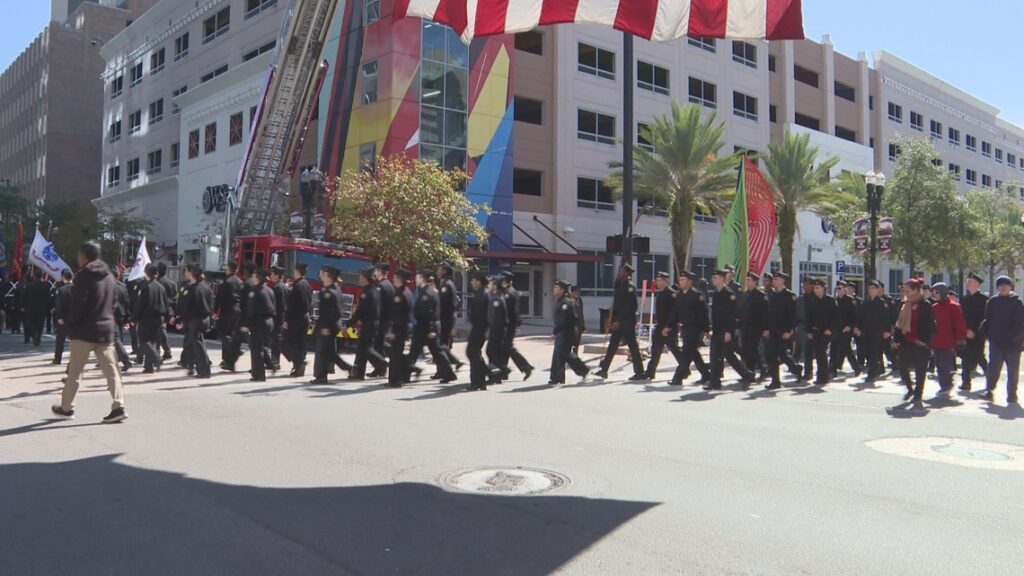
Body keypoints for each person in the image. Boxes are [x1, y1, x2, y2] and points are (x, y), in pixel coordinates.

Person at [51, 241, 127, 423]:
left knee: (75, 372)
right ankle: (118, 406)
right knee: (111, 370)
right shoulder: (109, 276)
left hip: (84, 331)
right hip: (105, 329)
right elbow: (114, 302)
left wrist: (70, 323)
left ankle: (67, 408)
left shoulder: (83, 275)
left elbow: (79, 304)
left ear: (84, 256)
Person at [594, 263, 645, 381]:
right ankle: (604, 370)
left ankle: (639, 372)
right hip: (618, 320)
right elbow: (616, 305)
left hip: (627, 321)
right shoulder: (619, 286)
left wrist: (619, 321)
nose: (619, 273)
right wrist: (610, 319)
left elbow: (632, 307)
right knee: (612, 345)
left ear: (627, 274)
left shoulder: (630, 287)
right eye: (619, 271)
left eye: (621, 271)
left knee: (633, 347)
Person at [706, 269, 755, 390]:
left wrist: (728, 331)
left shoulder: (729, 294)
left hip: (726, 331)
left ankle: (746, 374)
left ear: (722, 279)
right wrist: (711, 328)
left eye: (715, 278)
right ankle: (715, 382)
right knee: (716, 356)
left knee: (726, 356)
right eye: (713, 278)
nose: (713, 280)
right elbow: (715, 314)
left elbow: (731, 315)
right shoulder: (716, 293)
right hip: (717, 330)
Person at [405, 268, 457, 383]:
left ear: (423, 279)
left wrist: (432, 329)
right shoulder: (424, 291)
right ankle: (448, 374)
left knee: (434, 352)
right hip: (424, 326)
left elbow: (430, 312)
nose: (416, 280)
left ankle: (449, 373)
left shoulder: (427, 293)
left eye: (418, 278)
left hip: (426, 327)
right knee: (431, 352)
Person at [978, 275, 1024, 404]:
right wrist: (984, 331)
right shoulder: (992, 301)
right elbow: (987, 319)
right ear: (997, 287)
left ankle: (1012, 395)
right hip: (996, 342)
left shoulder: (1017, 302)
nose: (1003, 287)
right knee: (993, 368)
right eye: (1001, 285)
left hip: (1013, 343)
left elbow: (1020, 323)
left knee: (1013, 371)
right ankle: (989, 391)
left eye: (1006, 285)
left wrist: (1014, 337)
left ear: (1010, 287)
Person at [893, 279, 935, 408]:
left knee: (920, 371)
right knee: (901, 365)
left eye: (908, 290)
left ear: (917, 291)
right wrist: (897, 339)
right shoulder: (905, 304)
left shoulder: (925, 305)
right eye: (904, 290)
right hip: (906, 342)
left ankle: (918, 395)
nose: (905, 293)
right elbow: (899, 323)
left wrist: (923, 340)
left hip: (920, 343)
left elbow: (931, 325)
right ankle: (909, 388)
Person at [310, 266, 351, 384]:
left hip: (328, 325)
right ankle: (347, 367)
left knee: (322, 351)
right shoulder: (333, 288)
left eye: (322, 273)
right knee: (329, 352)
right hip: (329, 324)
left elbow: (334, 312)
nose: (320, 275)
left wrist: (326, 327)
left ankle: (321, 377)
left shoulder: (329, 292)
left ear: (327, 275)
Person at [669, 271, 710, 385]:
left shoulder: (697, 295)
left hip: (695, 328)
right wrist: (669, 326)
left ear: (689, 281)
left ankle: (678, 377)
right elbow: (675, 313)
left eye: (683, 280)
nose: (680, 282)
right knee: (693, 353)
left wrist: (706, 329)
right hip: (685, 328)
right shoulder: (680, 295)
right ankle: (706, 375)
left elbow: (703, 313)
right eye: (680, 280)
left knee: (687, 352)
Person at [929, 282, 967, 398]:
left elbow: (959, 324)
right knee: (939, 365)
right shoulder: (934, 307)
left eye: (937, 292)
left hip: (948, 341)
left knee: (945, 365)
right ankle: (944, 386)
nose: (934, 294)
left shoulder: (953, 306)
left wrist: (961, 339)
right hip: (936, 341)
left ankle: (946, 385)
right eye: (933, 292)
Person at [765, 272, 801, 390]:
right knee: (771, 355)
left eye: (776, 279)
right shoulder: (773, 295)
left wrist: (789, 330)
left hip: (784, 331)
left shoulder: (790, 295)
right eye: (773, 279)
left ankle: (796, 369)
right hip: (773, 331)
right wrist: (767, 329)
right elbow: (769, 314)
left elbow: (792, 315)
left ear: (782, 280)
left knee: (783, 355)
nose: (773, 281)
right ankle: (775, 381)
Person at [175, 265, 213, 379]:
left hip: (195, 320)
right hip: (205, 318)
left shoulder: (193, 288)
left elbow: (187, 307)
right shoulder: (206, 286)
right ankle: (194, 367)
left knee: (198, 346)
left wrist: (178, 319)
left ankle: (204, 371)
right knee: (197, 344)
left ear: (191, 274)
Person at [644, 272, 683, 380]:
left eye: (660, 280)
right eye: (657, 280)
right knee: (656, 350)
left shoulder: (671, 294)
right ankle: (650, 372)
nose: (657, 283)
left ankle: (684, 368)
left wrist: (669, 326)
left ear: (666, 281)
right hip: (660, 326)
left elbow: (675, 312)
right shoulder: (661, 293)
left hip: (669, 327)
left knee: (675, 350)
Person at [351, 268, 388, 380]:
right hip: (373, 323)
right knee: (363, 349)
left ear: (365, 278)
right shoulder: (375, 289)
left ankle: (382, 363)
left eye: (361, 276)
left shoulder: (366, 292)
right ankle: (359, 373)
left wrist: (348, 323)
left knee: (366, 348)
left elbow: (360, 311)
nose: (359, 279)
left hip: (369, 324)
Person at [550, 279, 589, 385]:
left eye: (556, 288)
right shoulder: (560, 300)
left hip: (566, 333)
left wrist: (556, 331)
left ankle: (583, 369)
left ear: (562, 290)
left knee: (564, 354)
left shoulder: (565, 303)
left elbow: (565, 320)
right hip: (562, 332)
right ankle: (557, 377)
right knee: (560, 354)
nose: (554, 289)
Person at [133, 264, 168, 374]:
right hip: (159, 318)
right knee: (152, 341)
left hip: (146, 318)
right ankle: (149, 366)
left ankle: (156, 358)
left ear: (146, 273)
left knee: (144, 340)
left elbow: (140, 305)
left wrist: (134, 318)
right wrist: (166, 318)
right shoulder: (161, 287)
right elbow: (166, 304)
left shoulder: (145, 287)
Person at [242, 268, 275, 382]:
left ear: (257, 278)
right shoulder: (269, 290)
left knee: (256, 349)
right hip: (269, 321)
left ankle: (258, 374)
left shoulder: (254, 291)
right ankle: (266, 368)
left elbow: (251, 310)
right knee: (261, 346)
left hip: (259, 322)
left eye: (254, 276)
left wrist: (246, 324)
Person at [499, 271, 534, 380]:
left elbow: (509, 312)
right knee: (505, 348)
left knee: (508, 348)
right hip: (509, 325)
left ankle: (526, 367)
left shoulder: (508, 293)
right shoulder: (507, 291)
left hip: (508, 326)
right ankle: (503, 372)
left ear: (505, 280)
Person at [855, 280, 891, 381]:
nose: (871, 290)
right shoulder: (865, 302)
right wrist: (857, 327)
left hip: (877, 332)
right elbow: (860, 316)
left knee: (873, 353)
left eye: (873, 288)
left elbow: (886, 318)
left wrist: (887, 331)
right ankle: (875, 367)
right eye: (869, 288)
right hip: (866, 331)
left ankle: (872, 374)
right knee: (866, 352)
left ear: (877, 290)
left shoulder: (881, 302)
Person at [959, 273, 989, 391]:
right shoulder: (964, 299)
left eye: (970, 281)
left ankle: (990, 379)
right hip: (966, 333)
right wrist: (965, 330)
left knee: (979, 357)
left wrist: (975, 331)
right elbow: (961, 316)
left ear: (977, 284)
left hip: (978, 333)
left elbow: (984, 317)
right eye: (967, 281)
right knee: (965, 358)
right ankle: (965, 382)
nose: (968, 283)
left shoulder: (983, 300)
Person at [806, 279, 838, 386]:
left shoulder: (830, 300)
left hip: (826, 331)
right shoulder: (812, 301)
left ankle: (824, 376)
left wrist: (831, 329)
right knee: (818, 353)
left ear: (823, 288)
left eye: (817, 288)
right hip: (816, 330)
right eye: (814, 288)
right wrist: (809, 330)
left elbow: (836, 317)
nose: (815, 290)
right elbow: (809, 317)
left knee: (821, 351)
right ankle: (821, 375)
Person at [737, 272, 768, 379]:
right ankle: (762, 368)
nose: (747, 282)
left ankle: (750, 373)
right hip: (745, 327)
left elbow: (765, 314)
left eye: (749, 280)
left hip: (756, 327)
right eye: (746, 280)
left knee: (752, 349)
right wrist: (738, 326)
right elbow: (740, 312)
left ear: (755, 281)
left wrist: (765, 328)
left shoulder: (761, 295)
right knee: (746, 350)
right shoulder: (744, 295)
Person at [385, 269, 413, 387]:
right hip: (402, 328)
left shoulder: (400, 294)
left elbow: (399, 315)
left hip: (399, 329)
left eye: (395, 278)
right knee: (397, 353)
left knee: (395, 355)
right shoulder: (406, 291)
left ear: (400, 279)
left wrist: (393, 331)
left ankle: (395, 380)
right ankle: (399, 377)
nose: (393, 280)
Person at [284, 263, 312, 377]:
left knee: (285, 341)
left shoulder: (298, 285)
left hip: (297, 317)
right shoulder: (307, 285)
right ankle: (298, 368)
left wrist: (287, 320)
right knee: (300, 343)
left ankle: (299, 361)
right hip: (305, 317)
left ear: (297, 271)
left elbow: (292, 305)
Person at [435, 262, 464, 373]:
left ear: (445, 271)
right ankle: (442, 370)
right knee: (441, 345)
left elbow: (444, 304)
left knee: (441, 345)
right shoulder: (446, 283)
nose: (438, 272)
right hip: (446, 318)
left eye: (440, 269)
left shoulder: (446, 285)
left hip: (446, 319)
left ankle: (453, 363)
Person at [465, 271, 491, 391]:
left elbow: (479, 314)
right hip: (480, 328)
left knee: (472, 352)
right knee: (475, 353)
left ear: (479, 282)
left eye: (473, 280)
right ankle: (482, 380)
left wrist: (475, 325)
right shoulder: (482, 293)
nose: (471, 282)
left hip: (479, 328)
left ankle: (476, 382)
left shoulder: (481, 295)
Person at [215, 261, 243, 369]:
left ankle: (233, 351)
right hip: (238, 310)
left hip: (227, 310)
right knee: (231, 333)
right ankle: (227, 360)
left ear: (228, 269)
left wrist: (215, 310)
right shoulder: (240, 281)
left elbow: (219, 298)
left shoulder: (226, 282)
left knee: (223, 334)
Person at [830, 282, 862, 377]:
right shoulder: (834, 300)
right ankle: (832, 370)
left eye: (840, 288)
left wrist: (850, 326)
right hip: (836, 329)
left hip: (846, 329)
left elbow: (854, 316)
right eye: (837, 289)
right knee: (834, 349)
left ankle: (856, 368)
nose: (838, 290)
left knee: (847, 349)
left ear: (845, 289)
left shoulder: (850, 301)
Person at [486, 276, 508, 383]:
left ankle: (497, 374)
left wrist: (493, 331)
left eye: (491, 284)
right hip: (496, 330)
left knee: (492, 352)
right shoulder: (495, 296)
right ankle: (497, 375)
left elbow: (497, 318)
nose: (489, 286)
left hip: (497, 331)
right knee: (493, 353)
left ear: (495, 286)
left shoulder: (497, 299)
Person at [20, 269, 51, 346]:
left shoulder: (29, 286)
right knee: (40, 324)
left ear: (34, 276)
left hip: (31, 308)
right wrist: (50, 307)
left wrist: (22, 305)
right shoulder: (46, 286)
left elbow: (24, 296)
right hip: (42, 308)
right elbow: (48, 298)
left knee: (30, 323)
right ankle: (37, 338)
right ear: (41, 276)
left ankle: (34, 334)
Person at [372, 262, 395, 366]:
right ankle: (380, 368)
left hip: (381, 320)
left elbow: (378, 305)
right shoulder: (389, 285)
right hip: (387, 320)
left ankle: (382, 366)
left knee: (379, 345)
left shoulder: (381, 286)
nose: (375, 273)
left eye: (376, 271)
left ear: (380, 272)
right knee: (379, 345)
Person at [268, 266, 289, 371]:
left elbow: (275, 304)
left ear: (277, 276)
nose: (270, 276)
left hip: (276, 317)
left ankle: (274, 362)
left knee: (275, 341)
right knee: (277, 340)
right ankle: (275, 362)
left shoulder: (276, 288)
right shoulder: (285, 287)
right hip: (282, 317)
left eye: (272, 274)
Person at [52, 269, 74, 364]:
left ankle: (58, 359)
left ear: (63, 278)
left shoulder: (61, 290)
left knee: (60, 339)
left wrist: (59, 317)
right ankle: (74, 359)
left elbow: (59, 305)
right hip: (75, 318)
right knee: (75, 340)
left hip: (64, 318)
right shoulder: (78, 288)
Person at [112, 273, 133, 372]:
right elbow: (127, 303)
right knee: (117, 338)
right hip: (121, 315)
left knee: (115, 340)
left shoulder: (109, 287)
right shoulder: (122, 287)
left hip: (111, 316)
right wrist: (127, 319)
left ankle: (125, 359)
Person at [155, 262, 176, 361]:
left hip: (159, 309)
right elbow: (175, 298)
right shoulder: (172, 283)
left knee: (158, 331)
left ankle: (161, 351)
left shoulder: (157, 283)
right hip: (169, 309)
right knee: (162, 330)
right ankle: (165, 351)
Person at [570, 285, 585, 356]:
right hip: (572, 325)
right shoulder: (569, 301)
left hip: (579, 324)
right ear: (572, 292)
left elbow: (581, 313)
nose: (578, 293)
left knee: (577, 342)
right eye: (576, 292)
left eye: (579, 292)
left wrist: (583, 325)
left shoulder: (580, 300)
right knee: (571, 342)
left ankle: (575, 355)